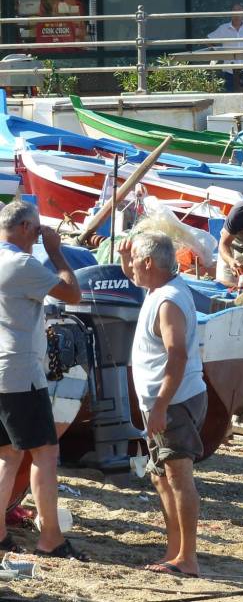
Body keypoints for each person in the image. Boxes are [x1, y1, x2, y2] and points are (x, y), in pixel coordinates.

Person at [0, 201, 85, 561]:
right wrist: (57, 253)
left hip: (2, 369)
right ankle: (50, 536)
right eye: (36, 229)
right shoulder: (22, 263)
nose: (39, 235)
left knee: (8, 454)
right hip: (20, 372)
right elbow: (72, 293)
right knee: (45, 453)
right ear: (23, 228)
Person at [123, 232, 206, 579]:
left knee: (178, 477)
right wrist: (127, 260)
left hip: (174, 402)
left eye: (136, 265)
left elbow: (178, 355)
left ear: (149, 264)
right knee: (160, 477)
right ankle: (175, 551)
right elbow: (138, 275)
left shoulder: (168, 299)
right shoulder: (159, 286)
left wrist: (159, 406)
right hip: (163, 402)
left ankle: (188, 558)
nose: (132, 272)